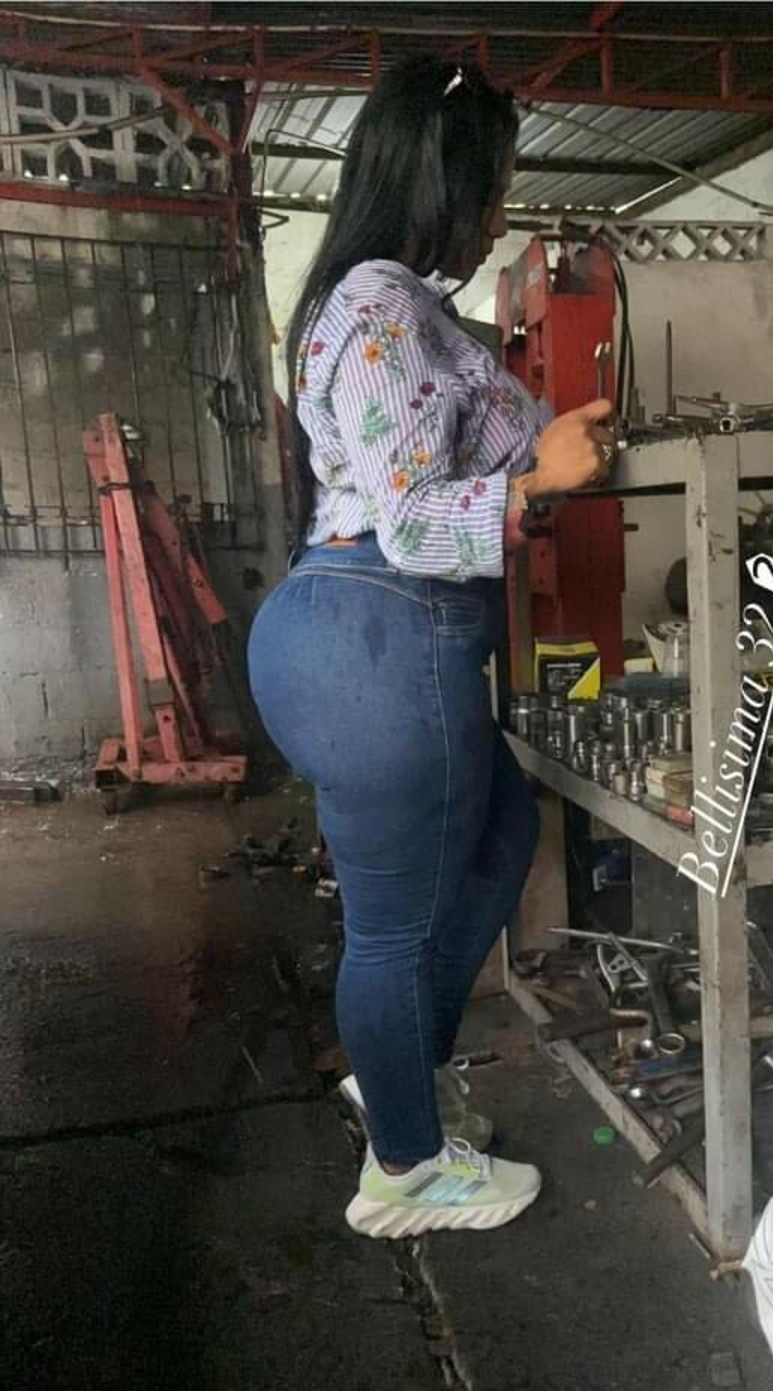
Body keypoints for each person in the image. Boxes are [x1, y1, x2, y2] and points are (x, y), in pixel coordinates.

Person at [248, 56, 615, 1240]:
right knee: (394, 925)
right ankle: (404, 1169)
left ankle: (395, 1073)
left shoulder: (405, 307)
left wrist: (551, 446)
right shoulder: (379, 308)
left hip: (364, 634)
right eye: (492, 187)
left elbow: (445, 459)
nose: (500, 214)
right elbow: (410, 518)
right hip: (377, 635)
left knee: (502, 833)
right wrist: (537, 482)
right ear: (441, 184)